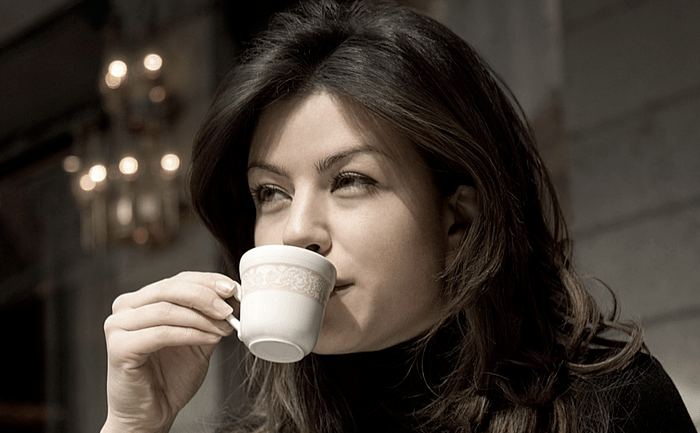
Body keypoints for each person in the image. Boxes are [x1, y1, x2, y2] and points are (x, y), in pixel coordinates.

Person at [101, 1, 697, 432]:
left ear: (458, 217)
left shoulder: (609, 405)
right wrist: (132, 426)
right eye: (270, 193)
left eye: (351, 181)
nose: (298, 230)